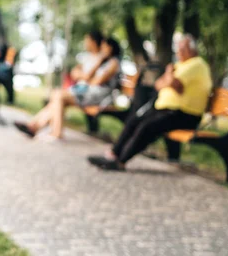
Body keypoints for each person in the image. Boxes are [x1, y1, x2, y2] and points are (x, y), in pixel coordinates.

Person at [88, 34, 212, 171]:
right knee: (134, 120)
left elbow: (175, 85)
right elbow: (159, 85)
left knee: (147, 126)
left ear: (192, 49)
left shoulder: (197, 64)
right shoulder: (181, 65)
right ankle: (113, 154)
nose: (179, 52)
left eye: (183, 48)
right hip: (168, 111)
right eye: (178, 48)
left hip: (186, 114)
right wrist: (168, 78)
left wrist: (169, 74)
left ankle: (121, 161)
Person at [14, 37, 122, 141]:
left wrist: (89, 72)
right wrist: (89, 73)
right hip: (90, 92)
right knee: (57, 96)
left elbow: (96, 81)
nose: (101, 50)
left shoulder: (114, 63)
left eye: (104, 47)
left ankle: (56, 133)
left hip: (100, 96)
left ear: (110, 48)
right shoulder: (104, 62)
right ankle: (34, 126)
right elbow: (82, 75)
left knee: (59, 96)